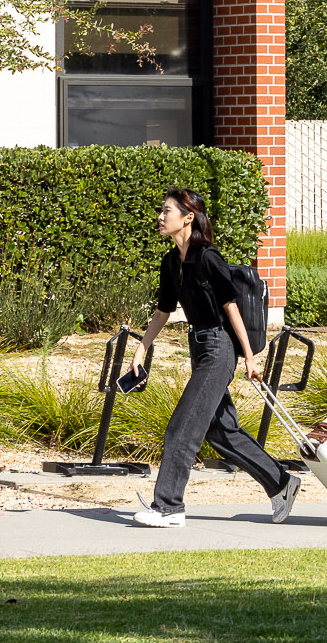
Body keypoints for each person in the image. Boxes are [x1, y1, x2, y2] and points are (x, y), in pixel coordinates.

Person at [125, 187, 304, 529]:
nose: (161, 217)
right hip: (199, 345)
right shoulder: (170, 261)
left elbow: (231, 306)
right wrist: (142, 347)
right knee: (222, 432)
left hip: (220, 348)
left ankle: (168, 506)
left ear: (187, 217)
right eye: (161, 211)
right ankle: (281, 483)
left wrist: (249, 356)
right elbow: (164, 311)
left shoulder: (207, 256)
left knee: (183, 426)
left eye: (167, 211)